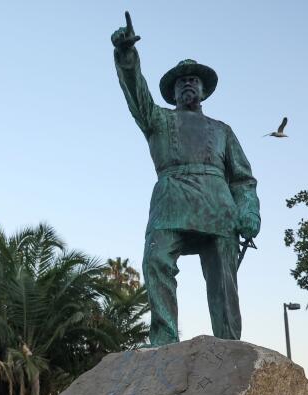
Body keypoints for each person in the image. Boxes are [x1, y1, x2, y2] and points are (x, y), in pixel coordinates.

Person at [111, 12, 260, 346]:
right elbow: (137, 95)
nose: (188, 84)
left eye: (194, 81)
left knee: (224, 279)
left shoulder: (223, 131)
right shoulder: (157, 119)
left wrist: (249, 211)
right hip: (171, 200)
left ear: (204, 91)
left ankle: (229, 344)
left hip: (218, 206)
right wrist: (126, 57)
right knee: (155, 259)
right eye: (181, 82)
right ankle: (163, 339)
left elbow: (243, 180)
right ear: (173, 93)